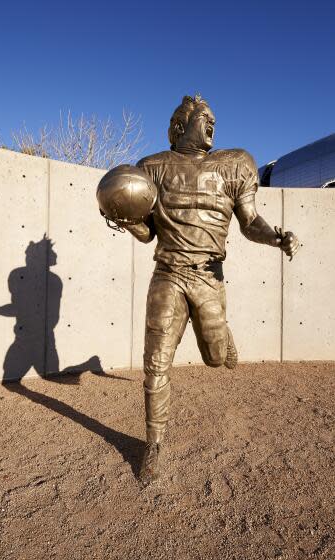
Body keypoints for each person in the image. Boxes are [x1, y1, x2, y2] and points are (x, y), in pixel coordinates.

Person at [126, 95, 299, 486]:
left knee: (216, 358)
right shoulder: (152, 168)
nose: (213, 124)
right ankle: (152, 445)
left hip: (209, 276)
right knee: (156, 363)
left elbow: (250, 221)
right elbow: (147, 232)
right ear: (181, 123)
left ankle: (222, 328)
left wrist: (276, 237)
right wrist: (123, 218)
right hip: (168, 274)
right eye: (206, 118)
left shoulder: (235, 165)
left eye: (214, 120)